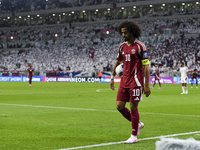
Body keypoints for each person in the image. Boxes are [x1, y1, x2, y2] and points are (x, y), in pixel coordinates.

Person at [110, 20, 151, 144]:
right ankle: (138, 124)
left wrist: (146, 84)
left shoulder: (140, 46)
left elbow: (146, 66)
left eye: (126, 32)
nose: (123, 35)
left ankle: (134, 135)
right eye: (122, 33)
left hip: (136, 81)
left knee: (133, 106)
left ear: (132, 32)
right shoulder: (122, 47)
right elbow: (118, 62)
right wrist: (112, 78)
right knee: (119, 106)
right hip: (124, 81)